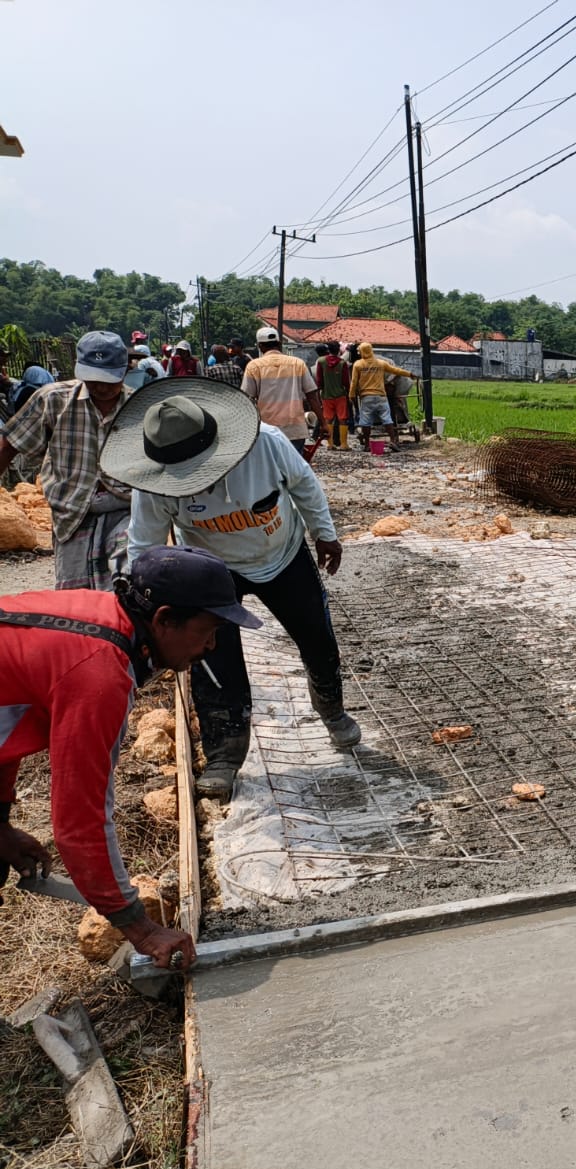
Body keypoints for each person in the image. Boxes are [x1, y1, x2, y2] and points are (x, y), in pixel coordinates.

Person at [0, 544, 263, 969]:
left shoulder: (98, 615)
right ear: (164, 619)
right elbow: (80, 822)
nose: (212, 645)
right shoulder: (98, 672)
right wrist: (140, 928)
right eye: (208, 630)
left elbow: (6, 720)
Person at [103, 378, 361, 800]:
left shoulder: (267, 444)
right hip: (209, 570)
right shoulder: (153, 481)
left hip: (282, 554)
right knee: (211, 657)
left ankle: (332, 710)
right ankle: (223, 754)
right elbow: (145, 544)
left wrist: (325, 534)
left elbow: (304, 485)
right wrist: (144, 603)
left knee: (317, 637)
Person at [0, 331, 136, 590]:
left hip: (125, 509)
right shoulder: (53, 400)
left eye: (110, 380)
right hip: (72, 511)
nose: (102, 387)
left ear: (125, 371)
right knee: (75, 597)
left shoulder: (138, 406)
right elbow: (9, 446)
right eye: (94, 379)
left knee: (126, 586)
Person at [241, 326, 320, 456]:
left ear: (260, 346)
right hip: (295, 429)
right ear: (279, 343)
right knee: (293, 466)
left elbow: (246, 399)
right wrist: (323, 423)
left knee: (270, 466)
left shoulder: (254, 366)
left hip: (267, 430)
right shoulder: (297, 363)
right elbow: (312, 395)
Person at [349, 342, 415, 451]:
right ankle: (393, 440)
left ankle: (367, 445)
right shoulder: (381, 363)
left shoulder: (358, 365)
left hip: (366, 397)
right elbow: (396, 370)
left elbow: (354, 382)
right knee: (387, 419)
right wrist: (409, 374)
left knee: (366, 422)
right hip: (381, 397)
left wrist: (351, 395)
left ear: (361, 352)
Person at [313, 342, 352, 450]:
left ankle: (330, 444)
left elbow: (319, 380)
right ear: (338, 350)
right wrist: (349, 392)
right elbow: (346, 381)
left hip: (326, 395)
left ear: (328, 350)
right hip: (341, 395)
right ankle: (343, 444)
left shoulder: (321, 361)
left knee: (328, 419)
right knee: (342, 419)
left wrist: (320, 391)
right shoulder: (342, 363)